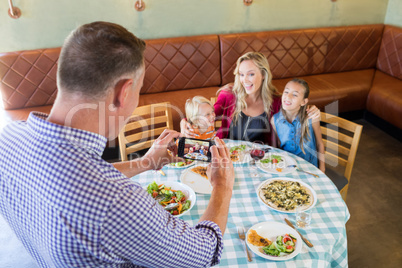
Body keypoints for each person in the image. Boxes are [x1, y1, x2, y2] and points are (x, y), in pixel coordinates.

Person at [0, 21, 234, 268]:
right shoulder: (118, 201)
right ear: (124, 92)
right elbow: (202, 255)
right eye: (139, 91)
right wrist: (222, 186)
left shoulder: (7, 139)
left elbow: (86, 177)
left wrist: (145, 162)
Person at [181, 52, 320, 146]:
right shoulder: (228, 95)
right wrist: (184, 122)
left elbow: (296, 114)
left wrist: (311, 111)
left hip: (260, 162)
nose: (244, 80)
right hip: (228, 157)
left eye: (251, 74)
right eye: (241, 74)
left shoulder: (277, 101)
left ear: (264, 74)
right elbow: (205, 115)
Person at [271, 78, 325, 172]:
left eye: (295, 95)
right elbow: (279, 146)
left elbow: (320, 144)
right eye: (286, 92)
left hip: (310, 169)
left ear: (303, 102)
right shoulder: (274, 120)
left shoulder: (311, 118)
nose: (288, 96)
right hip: (287, 168)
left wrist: (322, 169)